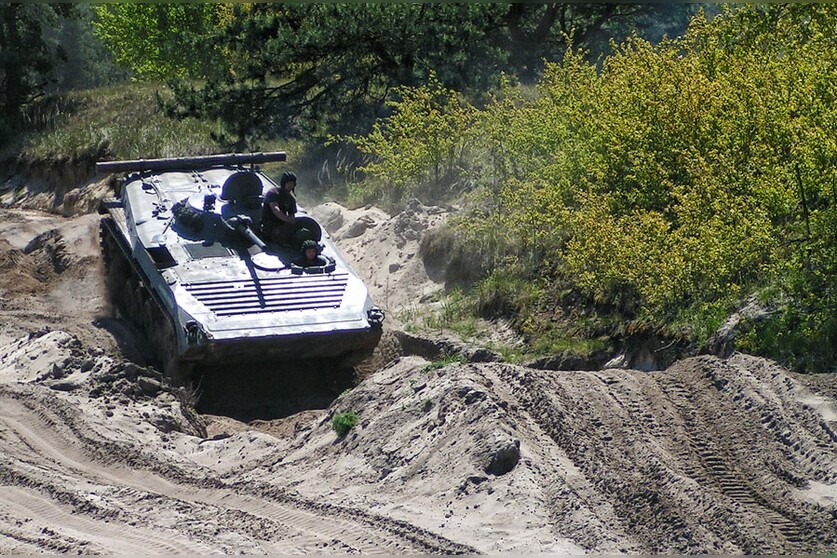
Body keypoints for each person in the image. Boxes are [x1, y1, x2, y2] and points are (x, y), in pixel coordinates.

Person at [260, 171, 312, 247]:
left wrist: (293, 223)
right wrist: (287, 219)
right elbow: (275, 209)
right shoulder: (273, 193)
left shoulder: (291, 199)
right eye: (288, 184)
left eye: (292, 184)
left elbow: (292, 215)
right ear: (283, 183)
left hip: (282, 226)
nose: (290, 186)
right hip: (269, 226)